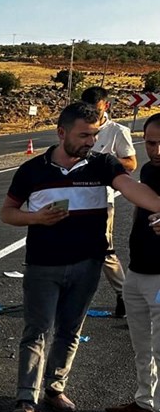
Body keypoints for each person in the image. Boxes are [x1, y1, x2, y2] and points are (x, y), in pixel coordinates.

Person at [0, 102, 160, 412]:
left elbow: (131, 190)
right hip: (43, 264)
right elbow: (7, 213)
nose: (92, 142)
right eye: (84, 135)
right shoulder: (33, 170)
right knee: (37, 330)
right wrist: (37, 218)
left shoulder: (102, 164)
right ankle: (25, 399)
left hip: (87, 264)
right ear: (61, 133)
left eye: (95, 135)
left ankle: (55, 389)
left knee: (70, 330)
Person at [107, 115, 160, 412]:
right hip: (139, 269)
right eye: (150, 142)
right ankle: (144, 401)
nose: (156, 149)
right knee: (142, 346)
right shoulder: (151, 171)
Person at [81, 86, 136, 318]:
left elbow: (132, 164)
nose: (90, 114)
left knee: (103, 250)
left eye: (95, 110)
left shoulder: (117, 131)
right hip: (72, 196)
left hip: (101, 200)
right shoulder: (78, 127)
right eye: (86, 110)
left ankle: (124, 294)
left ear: (106, 106)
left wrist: (105, 161)